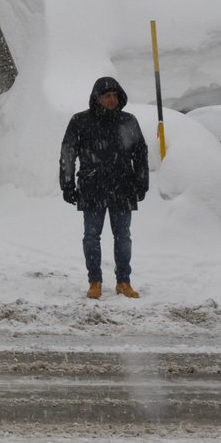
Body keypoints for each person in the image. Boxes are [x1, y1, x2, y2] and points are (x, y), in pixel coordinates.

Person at [59, 76, 149, 299]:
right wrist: (67, 185)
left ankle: (123, 281)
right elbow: (67, 154)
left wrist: (141, 182)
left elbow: (140, 153)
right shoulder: (80, 121)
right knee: (91, 236)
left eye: (115, 95)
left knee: (123, 236)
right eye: (107, 96)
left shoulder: (128, 121)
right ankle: (95, 281)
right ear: (97, 98)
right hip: (92, 186)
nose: (112, 100)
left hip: (123, 186)